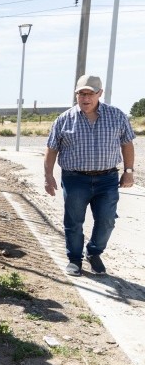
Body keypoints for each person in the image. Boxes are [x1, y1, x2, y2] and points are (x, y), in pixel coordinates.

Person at [44, 74, 135, 277]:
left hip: (107, 179)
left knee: (107, 220)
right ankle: (74, 259)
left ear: (99, 93)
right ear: (76, 94)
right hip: (75, 179)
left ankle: (93, 253)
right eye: (81, 94)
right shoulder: (64, 119)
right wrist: (48, 176)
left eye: (90, 94)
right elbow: (51, 149)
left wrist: (128, 172)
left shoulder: (117, 116)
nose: (85, 98)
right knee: (74, 221)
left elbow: (127, 143)